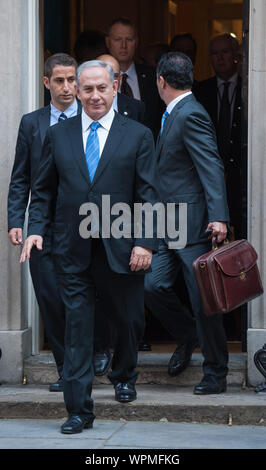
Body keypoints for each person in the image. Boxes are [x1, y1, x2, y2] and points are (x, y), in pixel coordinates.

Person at [20, 60, 159, 434]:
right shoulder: (58, 135)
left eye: (102, 88)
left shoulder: (138, 135)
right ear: (77, 92)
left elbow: (148, 194)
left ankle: (124, 374)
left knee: (129, 320)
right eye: (87, 89)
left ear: (115, 87)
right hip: (72, 249)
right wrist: (36, 229)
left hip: (123, 247)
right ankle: (79, 410)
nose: (95, 96)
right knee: (77, 329)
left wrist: (145, 242)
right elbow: (44, 189)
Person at [145, 52, 230, 395]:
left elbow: (211, 165)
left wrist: (219, 216)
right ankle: (187, 333)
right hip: (166, 223)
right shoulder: (175, 112)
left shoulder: (190, 113)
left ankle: (216, 371)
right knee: (152, 285)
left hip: (192, 224)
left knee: (203, 301)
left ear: (161, 81)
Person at [8, 53, 81, 392]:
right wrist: (15, 220)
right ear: (46, 82)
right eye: (60, 81)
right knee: (51, 299)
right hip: (41, 226)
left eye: (71, 80)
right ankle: (66, 369)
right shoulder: (31, 123)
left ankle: (89, 359)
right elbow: (20, 176)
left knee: (83, 297)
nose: (67, 87)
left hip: (83, 224)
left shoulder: (91, 117)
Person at [196, 33, 243, 240]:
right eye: (214, 54)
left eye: (225, 52)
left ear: (234, 55)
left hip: (242, 175)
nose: (220, 58)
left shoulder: (249, 87)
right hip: (208, 175)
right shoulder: (200, 90)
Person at [105, 17, 164, 138]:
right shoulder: (95, 77)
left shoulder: (154, 77)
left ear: (136, 42)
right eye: (117, 39)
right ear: (108, 42)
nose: (123, 45)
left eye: (129, 39)